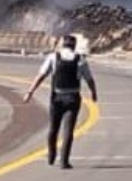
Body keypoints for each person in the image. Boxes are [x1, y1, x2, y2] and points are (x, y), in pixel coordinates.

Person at [24, 35, 98, 169]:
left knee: (53, 128)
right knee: (68, 130)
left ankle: (51, 155)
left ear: (63, 45)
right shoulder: (80, 59)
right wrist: (94, 93)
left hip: (57, 97)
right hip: (73, 98)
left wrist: (30, 92)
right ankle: (64, 161)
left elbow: (41, 75)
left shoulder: (53, 57)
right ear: (74, 46)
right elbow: (89, 79)